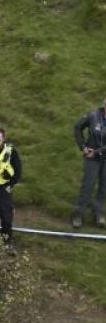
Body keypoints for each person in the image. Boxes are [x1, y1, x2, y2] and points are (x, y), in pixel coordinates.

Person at [72, 96, 106, 228]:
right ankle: (78, 215)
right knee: (88, 186)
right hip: (92, 159)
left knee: (104, 188)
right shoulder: (93, 116)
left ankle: (99, 214)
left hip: (103, 157)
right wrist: (83, 147)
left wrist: (96, 152)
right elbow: (77, 127)